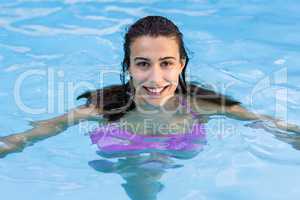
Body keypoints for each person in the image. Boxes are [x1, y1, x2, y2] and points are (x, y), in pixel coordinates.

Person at [0, 16, 299, 159]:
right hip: (124, 166)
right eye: (143, 64)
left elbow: (271, 124)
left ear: (181, 64)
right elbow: (34, 134)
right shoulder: (102, 108)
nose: (155, 78)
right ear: (128, 66)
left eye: (166, 63)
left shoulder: (201, 103)